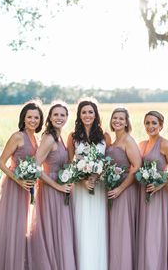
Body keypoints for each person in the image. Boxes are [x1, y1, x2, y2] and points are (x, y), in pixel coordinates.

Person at [0, 100, 44, 270]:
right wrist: (19, 180)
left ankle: (20, 262)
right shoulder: (18, 136)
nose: (33, 120)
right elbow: (1, 162)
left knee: (23, 226)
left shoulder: (37, 138)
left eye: (36, 117)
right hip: (14, 186)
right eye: (29, 117)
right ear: (23, 118)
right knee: (12, 224)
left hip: (28, 187)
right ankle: (7, 263)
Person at [27, 102, 76, 270]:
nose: (59, 118)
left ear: (67, 118)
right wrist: (57, 186)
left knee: (60, 228)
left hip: (61, 187)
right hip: (51, 189)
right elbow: (35, 166)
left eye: (63, 115)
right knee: (53, 228)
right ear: (49, 117)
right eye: (56, 114)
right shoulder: (49, 138)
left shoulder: (60, 136)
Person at [67, 98, 111, 270]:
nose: (87, 115)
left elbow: (108, 161)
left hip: (98, 187)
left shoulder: (104, 135)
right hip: (80, 187)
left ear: (96, 114)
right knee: (81, 226)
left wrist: (96, 175)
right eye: (84, 112)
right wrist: (83, 179)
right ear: (79, 115)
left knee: (97, 226)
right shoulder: (72, 137)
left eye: (90, 112)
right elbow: (70, 164)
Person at [136, 110, 168, 270]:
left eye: (154, 123)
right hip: (143, 195)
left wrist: (160, 184)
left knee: (154, 235)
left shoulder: (165, 145)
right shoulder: (141, 144)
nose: (150, 126)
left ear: (161, 125)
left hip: (159, 196)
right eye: (147, 123)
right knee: (143, 234)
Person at [105, 107, 141, 270]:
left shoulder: (128, 140)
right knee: (114, 231)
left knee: (122, 232)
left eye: (121, 118)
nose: (117, 121)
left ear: (127, 122)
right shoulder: (112, 141)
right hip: (112, 191)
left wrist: (120, 189)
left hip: (125, 192)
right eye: (115, 118)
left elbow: (136, 167)